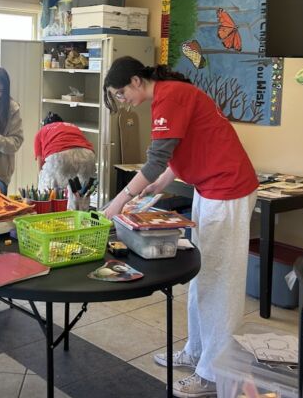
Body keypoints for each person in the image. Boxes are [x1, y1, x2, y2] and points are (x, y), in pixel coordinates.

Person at [101, 56, 258, 398]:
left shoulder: (171, 95)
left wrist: (119, 201)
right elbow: (181, 145)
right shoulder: (169, 94)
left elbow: (155, 159)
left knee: (221, 282)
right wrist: (163, 181)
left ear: (136, 81)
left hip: (227, 189)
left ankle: (214, 375)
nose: (123, 101)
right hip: (209, 188)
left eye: (121, 93)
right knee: (203, 274)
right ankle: (197, 351)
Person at [34, 112, 96, 192]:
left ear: (45, 125)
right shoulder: (72, 126)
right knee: (82, 193)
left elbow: (40, 166)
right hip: (87, 155)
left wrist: (42, 182)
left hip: (59, 155)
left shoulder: (42, 131)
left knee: (47, 191)